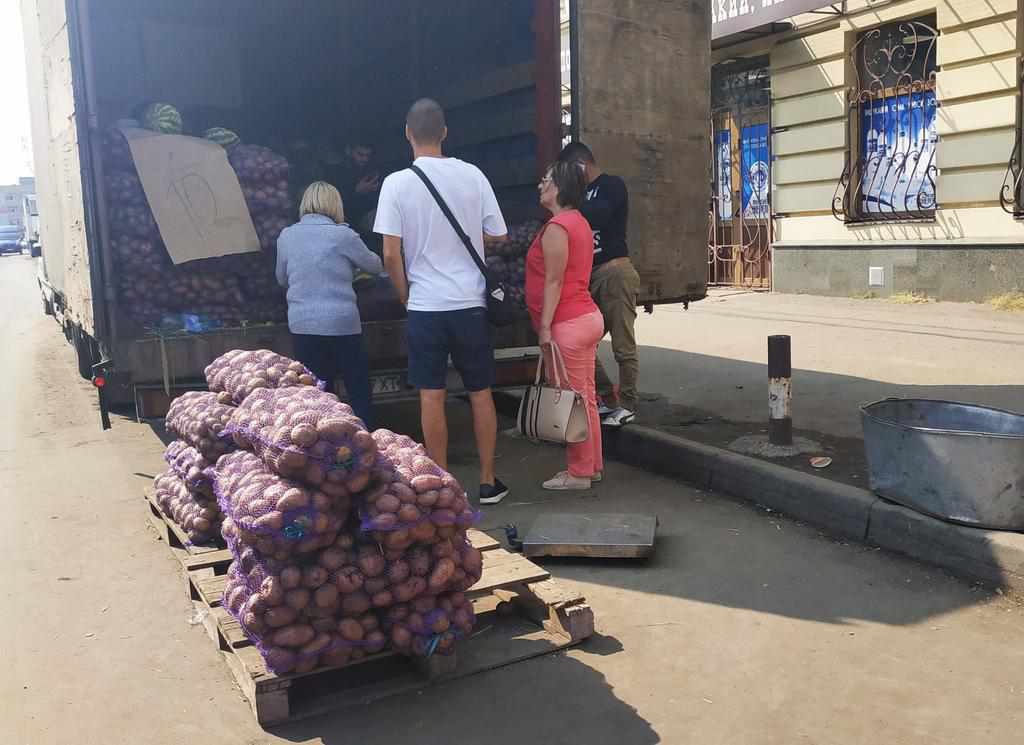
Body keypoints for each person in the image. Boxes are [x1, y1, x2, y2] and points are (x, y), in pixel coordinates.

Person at [374, 98, 511, 505]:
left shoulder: (396, 184)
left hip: (425, 307)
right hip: (470, 304)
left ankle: (441, 484)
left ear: (407, 133)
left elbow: (390, 254)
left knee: (431, 393)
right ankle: (488, 481)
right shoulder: (473, 176)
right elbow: (499, 234)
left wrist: (404, 294)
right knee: (480, 390)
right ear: (446, 132)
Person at [276, 181, 382, 427]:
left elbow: (281, 279)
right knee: (356, 384)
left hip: (303, 323)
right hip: (342, 323)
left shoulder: (287, 236)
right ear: (336, 205)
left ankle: (322, 440)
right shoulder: (343, 235)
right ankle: (362, 435)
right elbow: (375, 266)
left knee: (316, 389)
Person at [525, 162, 604, 490]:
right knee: (585, 398)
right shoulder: (579, 222)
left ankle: (579, 473)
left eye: (546, 180)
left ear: (559, 188)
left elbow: (554, 281)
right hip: (585, 317)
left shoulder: (558, 226)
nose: (541, 185)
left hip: (568, 321)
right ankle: (591, 466)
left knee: (574, 402)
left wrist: (544, 328)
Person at [559, 141, 640, 427]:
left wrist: (570, 206)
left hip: (615, 272)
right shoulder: (580, 195)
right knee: (582, 344)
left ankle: (628, 404)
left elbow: (601, 214)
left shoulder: (610, 186)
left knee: (622, 344)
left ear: (582, 165)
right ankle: (609, 399)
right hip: (589, 277)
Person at [329, 142, 381, 234]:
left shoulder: (371, 171)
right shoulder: (337, 173)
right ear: (349, 152)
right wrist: (356, 192)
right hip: (343, 223)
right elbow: (333, 206)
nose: (364, 159)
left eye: (367, 156)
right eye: (360, 154)